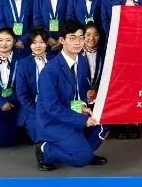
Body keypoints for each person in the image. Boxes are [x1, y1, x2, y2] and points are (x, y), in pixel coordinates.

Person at [35, 20, 108, 171]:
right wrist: (83, 120)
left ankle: (83, 149)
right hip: (54, 122)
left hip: (72, 113)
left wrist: (83, 107)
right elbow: (52, 108)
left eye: (81, 38)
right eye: (72, 38)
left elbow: (79, 91)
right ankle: (45, 150)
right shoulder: (49, 71)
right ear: (62, 40)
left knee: (105, 120)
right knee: (82, 159)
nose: (78, 42)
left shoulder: (82, 61)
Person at [15, 29, 50, 144]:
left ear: (47, 43)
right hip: (32, 106)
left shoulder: (55, 60)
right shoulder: (23, 64)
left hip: (53, 105)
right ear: (30, 45)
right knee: (36, 126)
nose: (38, 46)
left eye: (41, 42)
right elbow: (21, 93)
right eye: (34, 42)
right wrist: (36, 110)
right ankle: (43, 148)